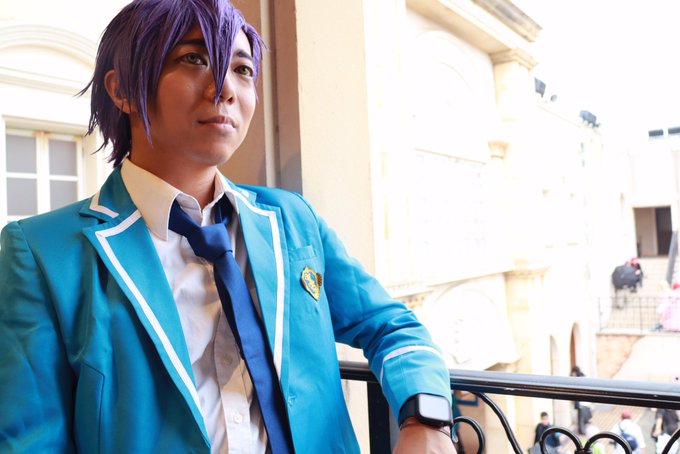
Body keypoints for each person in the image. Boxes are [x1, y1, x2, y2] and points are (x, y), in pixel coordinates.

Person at [0, 1, 456, 453]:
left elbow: (392, 325)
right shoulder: (41, 253)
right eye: (193, 58)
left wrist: (426, 418)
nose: (225, 88)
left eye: (242, 69)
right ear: (122, 91)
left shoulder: (292, 220)